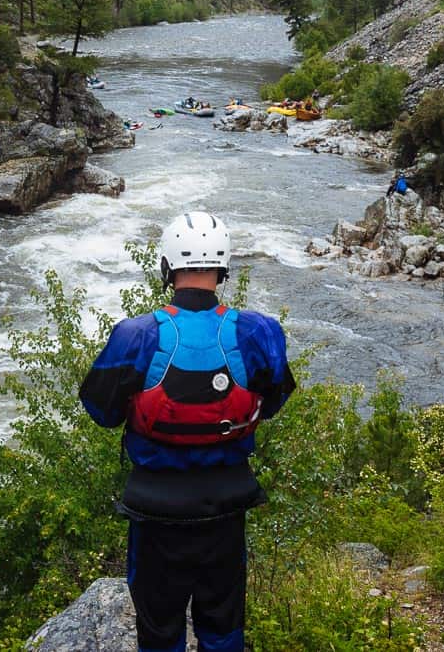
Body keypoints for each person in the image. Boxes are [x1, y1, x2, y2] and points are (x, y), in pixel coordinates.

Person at [79, 211, 296, 652]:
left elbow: (100, 411)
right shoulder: (259, 332)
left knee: (159, 632)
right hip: (226, 508)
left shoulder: (134, 335)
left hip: (156, 513)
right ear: (223, 267)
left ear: (167, 267)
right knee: (222, 627)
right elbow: (272, 403)